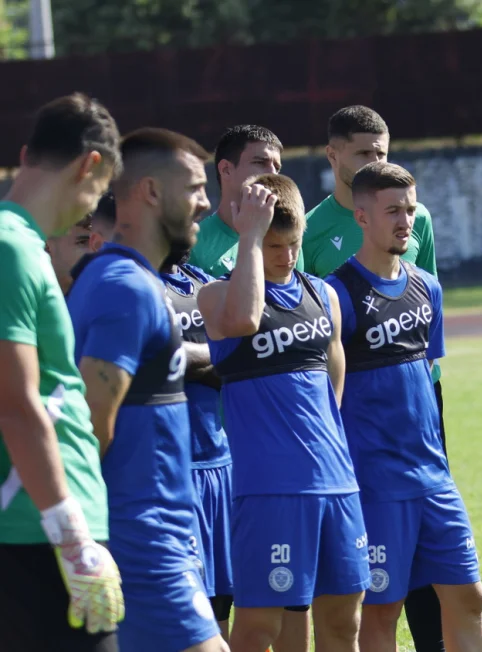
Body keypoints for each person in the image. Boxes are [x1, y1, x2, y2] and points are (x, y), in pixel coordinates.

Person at [67, 127, 226, 652]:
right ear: (152, 192)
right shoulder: (126, 288)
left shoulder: (130, 280)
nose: (206, 204)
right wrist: (86, 542)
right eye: (196, 188)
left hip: (160, 535)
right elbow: (90, 426)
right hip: (142, 539)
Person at [324, 161, 482, 652]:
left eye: (410, 210)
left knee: (469, 597)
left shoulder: (427, 288)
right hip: (377, 485)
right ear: (361, 217)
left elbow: (425, 379)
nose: (405, 221)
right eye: (392, 210)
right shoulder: (337, 294)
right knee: (380, 612)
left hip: (434, 477)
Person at [198, 173, 368, 652]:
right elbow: (243, 321)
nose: (286, 256)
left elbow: (335, 377)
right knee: (257, 630)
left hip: (337, 484)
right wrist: (249, 235)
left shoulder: (324, 295)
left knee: (342, 625)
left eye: (293, 244)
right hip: (271, 491)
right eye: (273, 245)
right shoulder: (217, 297)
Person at [300, 104, 448, 650]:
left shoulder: (418, 217)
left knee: (439, 570)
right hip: (355, 418)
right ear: (333, 154)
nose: (374, 160)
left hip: (421, 410)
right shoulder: (311, 232)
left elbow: (421, 300)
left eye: (382, 151)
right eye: (363, 152)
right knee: (372, 574)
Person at [0, 92, 124, 652]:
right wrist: (71, 537)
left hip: (41, 523)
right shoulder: (12, 249)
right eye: (98, 194)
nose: (89, 212)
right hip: (35, 530)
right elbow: (15, 401)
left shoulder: (22, 245)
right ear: (90, 165)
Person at [162, 250, 235, 639]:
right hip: (175, 472)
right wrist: (211, 357)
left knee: (221, 601)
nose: (197, 216)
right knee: (185, 607)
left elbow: (239, 355)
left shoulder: (201, 282)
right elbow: (156, 355)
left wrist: (188, 359)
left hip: (221, 465)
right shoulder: (138, 284)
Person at [190, 125, 284, 278]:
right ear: (226, 169)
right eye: (260, 162)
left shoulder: (287, 242)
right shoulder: (194, 245)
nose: (273, 174)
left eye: (277, 167)